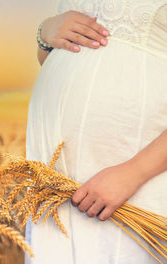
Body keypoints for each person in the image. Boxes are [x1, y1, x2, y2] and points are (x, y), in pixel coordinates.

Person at [25, 0, 167, 263]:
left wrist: (134, 172)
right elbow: (64, 56)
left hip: (137, 178)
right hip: (55, 181)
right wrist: (46, 35)